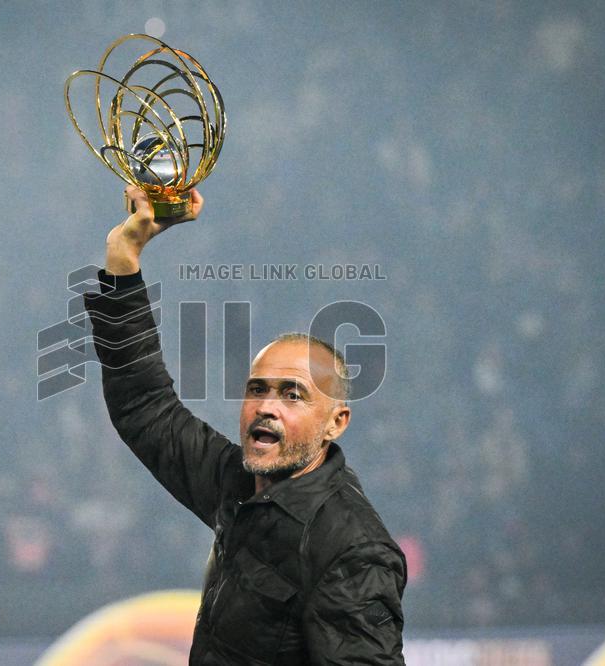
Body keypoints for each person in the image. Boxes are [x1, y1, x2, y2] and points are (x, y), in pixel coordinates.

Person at [82, 185, 407, 665]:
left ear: (336, 423)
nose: (266, 406)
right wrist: (124, 255)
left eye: (292, 394)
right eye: (257, 389)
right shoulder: (240, 481)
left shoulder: (350, 547)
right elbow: (144, 406)